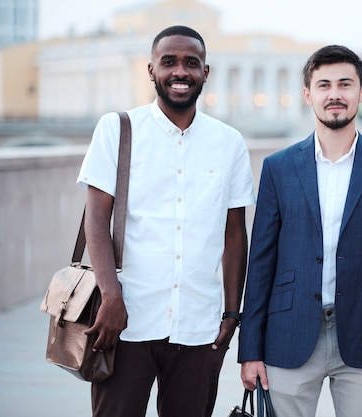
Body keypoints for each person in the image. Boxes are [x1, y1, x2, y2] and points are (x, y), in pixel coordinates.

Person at [77, 25, 255, 417]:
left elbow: (234, 233)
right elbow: (96, 221)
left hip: (199, 326)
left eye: (191, 63)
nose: (180, 71)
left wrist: (231, 313)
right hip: (125, 323)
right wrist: (110, 296)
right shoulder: (118, 129)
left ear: (205, 72)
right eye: (169, 62)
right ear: (151, 70)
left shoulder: (229, 143)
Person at [238, 45, 362, 417]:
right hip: (287, 334)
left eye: (344, 84)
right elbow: (260, 264)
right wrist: (250, 350)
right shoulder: (278, 168)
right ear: (308, 95)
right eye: (323, 85)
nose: (334, 94)